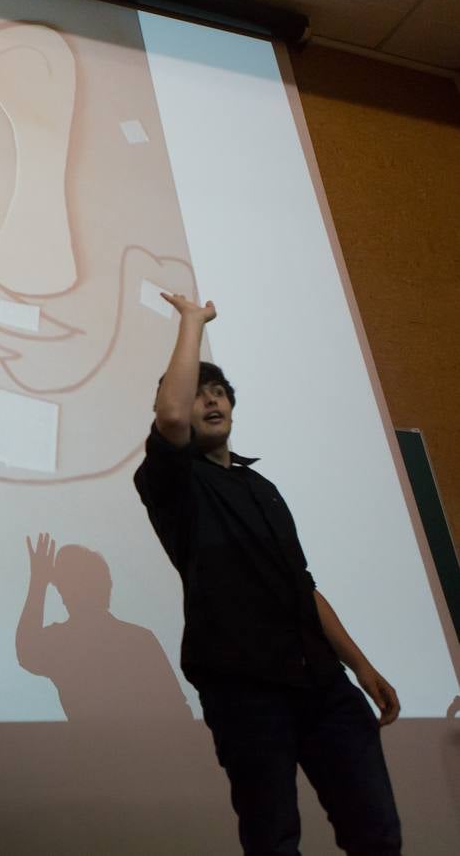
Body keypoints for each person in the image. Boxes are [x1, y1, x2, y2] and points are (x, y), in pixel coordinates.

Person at [134, 293, 401, 856]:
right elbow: (173, 415)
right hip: (243, 687)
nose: (209, 400)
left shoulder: (264, 489)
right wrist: (192, 322)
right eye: (198, 391)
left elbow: (301, 586)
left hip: (325, 685)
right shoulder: (172, 482)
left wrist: (362, 666)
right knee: (273, 838)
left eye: (220, 391)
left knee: (376, 833)